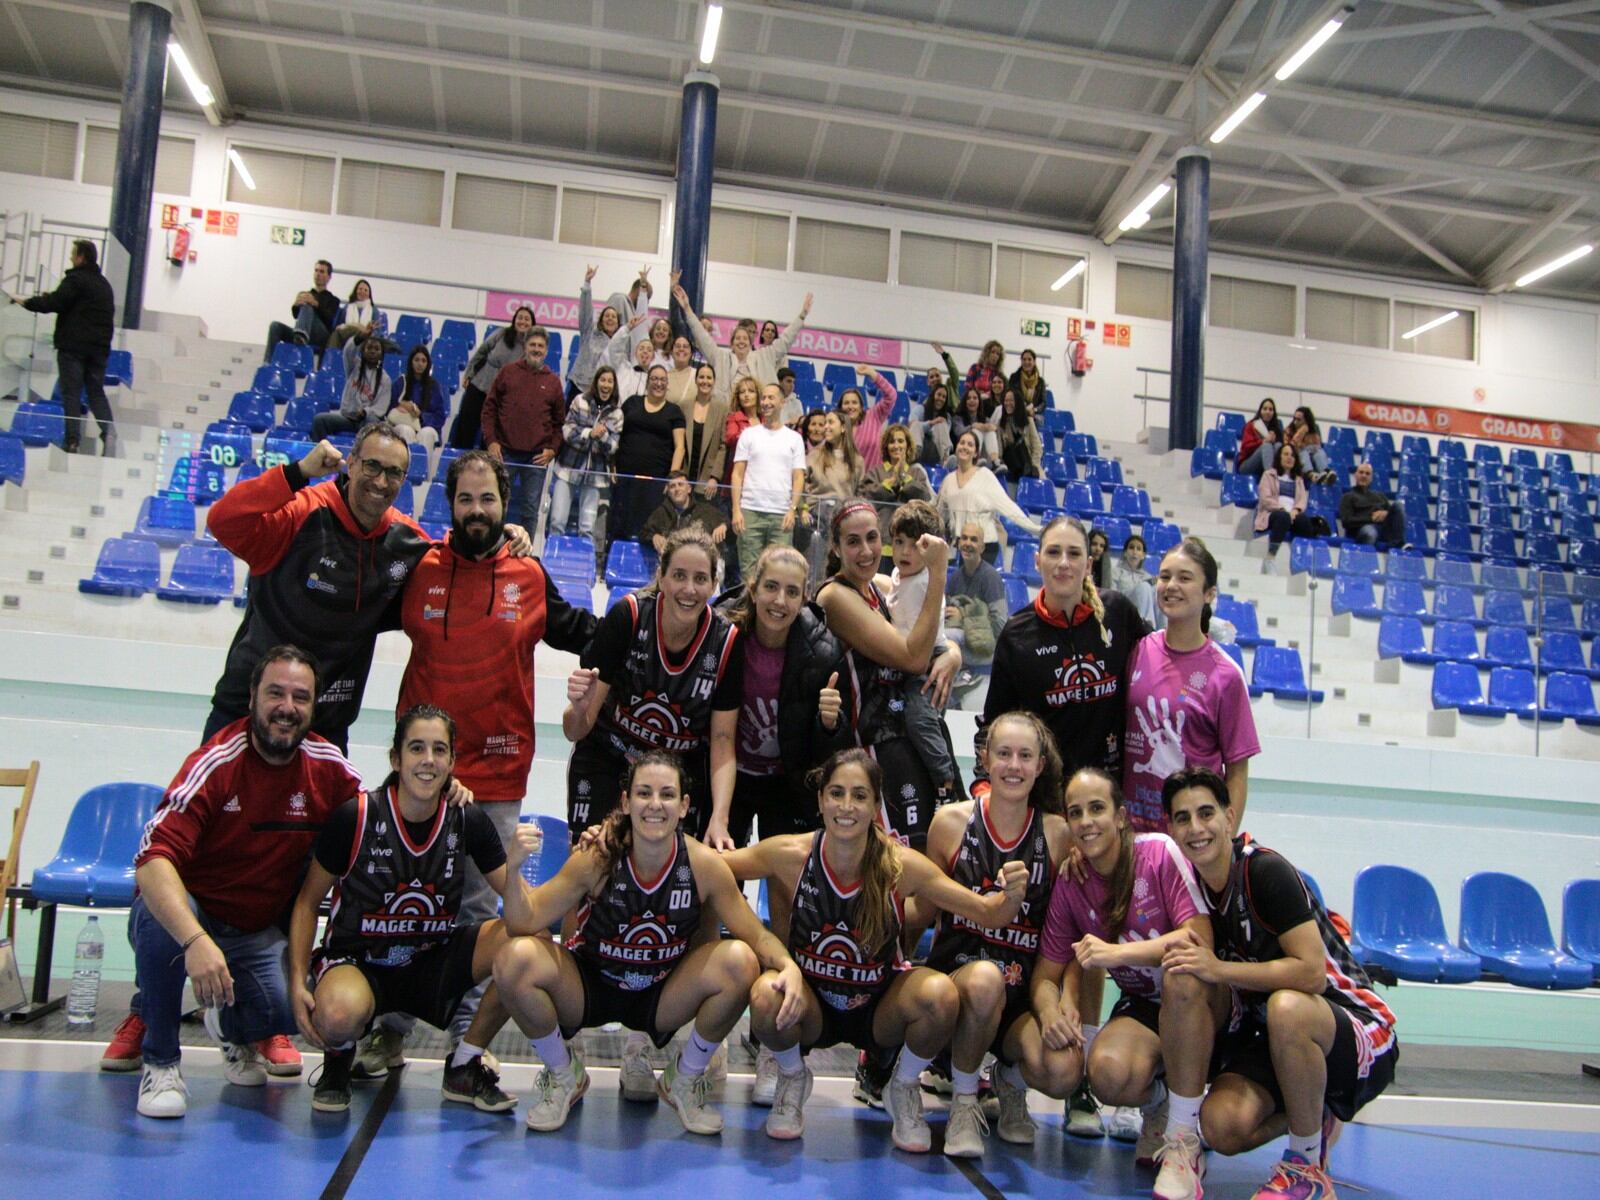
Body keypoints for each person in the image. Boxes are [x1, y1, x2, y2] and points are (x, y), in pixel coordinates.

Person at [384, 450, 597, 1064]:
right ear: (451, 504)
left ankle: (465, 1047)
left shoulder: (529, 575)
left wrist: (647, 623)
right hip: (423, 774)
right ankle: (389, 1029)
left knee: (485, 913)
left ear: (507, 505)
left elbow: (581, 630)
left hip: (499, 774)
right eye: (466, 500)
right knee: (408, 904)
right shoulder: (418, 569)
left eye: (488, 500)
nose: (477, 512)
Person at [723, 749, 1028, 1149]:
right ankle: (793, 1076)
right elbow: (715, 870)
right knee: (765, 996)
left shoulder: (901, 866)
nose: (846, 806)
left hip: (878, 1008)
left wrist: (1012, 894)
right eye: (836, 793)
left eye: (859, 796)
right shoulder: (790, 855)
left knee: (939, 996)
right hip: (810, 1004)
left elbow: (987, 913)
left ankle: (902, 1086)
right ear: (820, 800)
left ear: (874, 805)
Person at [493, 751, 805, 1135]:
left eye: (667, 794)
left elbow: (755, 935)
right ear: (626, 801)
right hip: (591, 984)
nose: (655, 805)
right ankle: (563, 1074)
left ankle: (684, 1078)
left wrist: (789, 967)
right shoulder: (598, 857)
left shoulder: (703, 865)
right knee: (513, 959)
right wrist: (513, 870)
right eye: (643, 793)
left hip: (663, 993)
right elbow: (522, 922)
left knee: (739, 960)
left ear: (684, 805)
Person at [128, 646, 363, 1119]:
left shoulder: (329, 769)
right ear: (253, 696)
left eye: (301, 697)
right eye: (275, 693)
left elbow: (382, 819)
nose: (287, 707)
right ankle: (161, 1063)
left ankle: (229, 1028)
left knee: (289, 1009)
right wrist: (195, 940)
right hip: (192, 919)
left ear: (314, 707)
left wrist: (447, 791)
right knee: (159, 922)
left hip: (255, 931)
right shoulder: (216, 761)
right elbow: (151, 861)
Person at [973, 514, 1150, 1132]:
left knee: (1095, 942)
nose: (1066, 563)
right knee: (1040, 938)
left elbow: (1157, 669)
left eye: (1076, 553)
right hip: (1046, 818)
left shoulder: (1119, 619)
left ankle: (1083, 1080)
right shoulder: (1018, 635)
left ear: (1088, 562)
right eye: (1054, 553)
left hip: (1102, 816)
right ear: (1039, 562)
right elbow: (993, 726)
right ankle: (1004, 1063)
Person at [1163, 767, 1398, 1200]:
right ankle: (1317, 1111)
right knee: (1221, 1127)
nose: (1195, 828)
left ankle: (1306, 1166)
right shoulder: (1190, 887)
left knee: (1286, 1006)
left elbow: (1310, 973)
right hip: (1278, 1035)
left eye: (1205, 813)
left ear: (1229, 818)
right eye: (1182, 818)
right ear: (1170, 830)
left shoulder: (1264, 871)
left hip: (1354, 1026)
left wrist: (1219, 969)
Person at [286, 706, 521, 1115]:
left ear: (451, 762)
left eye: (439, 750)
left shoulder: (467, 818)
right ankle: (339, 1058)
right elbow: (307, 904)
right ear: (396, 759)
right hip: (361, 961)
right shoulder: (355, 817)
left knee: (525, 941)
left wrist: (570, 871)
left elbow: (526, 909)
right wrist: (296, 981)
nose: (428, 760)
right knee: (339, 1012)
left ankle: (465, 1062)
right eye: (416, 748)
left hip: (432, 961)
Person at [1035, 768, 1220, 1199]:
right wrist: (1052, 1008)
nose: (1086, 822)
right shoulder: (1071, 880)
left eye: (1097, 808)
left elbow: (1199, 941)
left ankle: (1183, 1142)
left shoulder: (1158, 852)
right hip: (1146, 1006)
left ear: (1121, 816)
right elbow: (1047, 974)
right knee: (1108, 1075)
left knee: (1183, 975)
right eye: (1076, 812)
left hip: (1206, 1003)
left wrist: (1115, 954)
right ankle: (1165, 1104)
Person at [203, 425, 430, 752]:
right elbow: (223, 520)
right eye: (372, 466)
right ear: (350, 463)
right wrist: (296, 474)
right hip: (245, 714)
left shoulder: (406, 542)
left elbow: (456, 568)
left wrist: (504, 542)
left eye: (395, 473)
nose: (381, 482)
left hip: (326, 728)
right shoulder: (302, 512)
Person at [919, 712, 1078, 1156]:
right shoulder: (950, 824)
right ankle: (964, 1103)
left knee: (1064, 1071)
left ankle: (1010, 1081)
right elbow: (922, 913)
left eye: (1025, 756)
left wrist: (1063, 1004)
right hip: (960, 989)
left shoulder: (1059, 834)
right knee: (985, 979)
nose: (1013, 765)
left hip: (1021, 996)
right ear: (985, 758)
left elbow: (1071, 932)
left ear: (1041, 765)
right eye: (1004, 754)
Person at [564, 527, 740, 842]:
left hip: (679, 775)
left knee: (672, 878)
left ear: (715, 584)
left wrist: (720, 818)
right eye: (679, 576)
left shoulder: (726, 642)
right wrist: (578, 709)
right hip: (610, 759)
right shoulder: (628, 617)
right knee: (591, 868)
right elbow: (575, 730)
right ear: (661, 576)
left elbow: (724, 741)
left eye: (700, 579)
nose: (689, 589)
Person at [816, 501, 959, 849]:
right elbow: (913, 658)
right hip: (871, 747)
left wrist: (954, 653)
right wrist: (940, 572)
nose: (866, 551)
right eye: (853, 542)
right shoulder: (836, 596)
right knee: (896, 863)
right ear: (836, 547)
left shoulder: (881, 584)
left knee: (932, 848)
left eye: (872, 538)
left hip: (904, 737)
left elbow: (933, 625)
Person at [713, 545, 849, 849]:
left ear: (804, 598)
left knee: (788, 883)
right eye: (771, 587)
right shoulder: (722, 636)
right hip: (727, 774)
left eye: (791, 592)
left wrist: (829, 724)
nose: (779, 601)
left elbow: (830, 753)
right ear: (753, 588)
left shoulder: (823, 652)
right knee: (719, 871)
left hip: (786, 782)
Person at [1124, 538, 1260, 833]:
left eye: (1184, 578)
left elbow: (1237, 771)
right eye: (1165, 576)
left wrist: (1224, 839)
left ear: (1209, 593)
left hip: (1191, 840)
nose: (1171, 585)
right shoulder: (1138, 651)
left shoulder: (1226, 675)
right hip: (1132, 837)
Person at [885, 501, 961, 806]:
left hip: (928, 659)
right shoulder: (898, 574)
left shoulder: (925, 583)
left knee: (919, 718)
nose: (905, 552)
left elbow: (918, 645)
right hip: (911, 657)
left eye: (915, 546)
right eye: (899, 542)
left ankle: (945, 781)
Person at [10, 237, 115, 455]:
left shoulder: (75, 279)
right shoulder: (104, 285)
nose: (70, 258)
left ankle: (72, 441)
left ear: (81, 257)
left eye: (73, 254)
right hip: (99, 350)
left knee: (71, 393)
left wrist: (26, 302)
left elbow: (55, 304)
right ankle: (109, 433)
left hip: (73, 348)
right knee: (96, 393)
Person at [674, 278, 812, 404]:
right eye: (738, 338)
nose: (741, 341)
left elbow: (785, 340)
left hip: (759, 416)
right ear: (732, 343)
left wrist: (802, 316)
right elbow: (702, 337)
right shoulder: (721, 358)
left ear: (751, 342)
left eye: (745, 338)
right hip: (728, 415)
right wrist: (687, 309)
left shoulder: (764, 355)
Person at [483, 324, 565, 531]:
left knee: (530, 510)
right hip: (505, 453)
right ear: (525, 347)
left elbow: (559, 423)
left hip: (536, 458)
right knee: (497, 504)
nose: (536, 349)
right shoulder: (507, 373)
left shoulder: (554, 382)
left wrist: (552, 449)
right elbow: (489, 409)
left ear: (546, 351)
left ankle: (525, 557)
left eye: (540, 346)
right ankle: (494, 549)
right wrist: (492, 442)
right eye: (532, 344)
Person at [731, 382, 807, 582]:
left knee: (779, 572)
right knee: (749, 574)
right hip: (749, 513)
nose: (765, 402)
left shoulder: (794, 438)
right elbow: (737, 474)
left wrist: (792, 509)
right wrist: (736, 510)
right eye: (763, 398)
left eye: (771, 397)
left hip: (781, 516)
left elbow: (798, 477)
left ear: (782, 402)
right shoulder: (748, 434)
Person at [937, 430, 1040, 564]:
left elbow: (1009, 507)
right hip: (960, 545)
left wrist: (1036, 529)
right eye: (962, 443)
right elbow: (939, 514)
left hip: (984, 546)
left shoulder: (985, 475)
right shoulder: (948, 480)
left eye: (970, 444)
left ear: (975, 453)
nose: (964, 447)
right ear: (956, 447)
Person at [611, 363, 687, 539]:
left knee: (649, 529)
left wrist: (671, 479)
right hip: (626, 478)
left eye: (662, 379)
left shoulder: (674, 412)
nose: (658, 383)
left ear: (667, 384)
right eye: (654, 378)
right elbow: (616, 435)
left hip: (656, 483)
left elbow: (680, 448)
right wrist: (612, 463)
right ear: (647, 382)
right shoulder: (632, 403)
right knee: (619, 525)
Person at [548, 364, 622, 539]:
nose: (606, 385)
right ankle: (551, 564)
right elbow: (566, 431)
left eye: (610, 381)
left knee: (587, 529)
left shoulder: (617, 414)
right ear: (596, 382)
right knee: (557, 522)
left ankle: (583, 565)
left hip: (595, 475)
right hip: (568, 468)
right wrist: (589, 433)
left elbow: (613, 447)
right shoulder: (579, 401)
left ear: (614, 386)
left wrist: (602, 437)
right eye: (603, 380)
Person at [453, 306, 532, 449]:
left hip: (500, 398)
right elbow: (481, 352)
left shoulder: (529, 348)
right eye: (520, 317)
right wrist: (469, 373)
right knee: (465, 429)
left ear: (532, 324)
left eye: (527, 319)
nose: (523, 321)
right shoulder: (501, 334)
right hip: (478, 386)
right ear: (514, 320)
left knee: (489, 437)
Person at [858, 423, 932, 563]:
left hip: (910, 545)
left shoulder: (916, 472)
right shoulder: (875, 472)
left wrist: (903, 476)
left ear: (908, 446)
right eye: (892, 441)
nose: (896, 445)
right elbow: (867, 498)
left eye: (900, 441)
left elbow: (924, 496)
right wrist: (891, 481)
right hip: (882, 542)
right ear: (886, 446)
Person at [567, 265, 638, 401]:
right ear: (600, 319)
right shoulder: (590, 333)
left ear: (619, 323)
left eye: (613, 316)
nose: (610, 318)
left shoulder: (621, 344)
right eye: (607, 315)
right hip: (580, 386)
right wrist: (587, 284)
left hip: (604, 392)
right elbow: (585, 311)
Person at [944, 522, 1008, 668]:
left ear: (982, 547)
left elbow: (1000, 625)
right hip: (963, 640)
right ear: (958, 543)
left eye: (974, 539)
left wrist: (963, 616)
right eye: (964, 538)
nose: (967, 543)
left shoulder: (990, 577)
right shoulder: (956, 577)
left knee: (945, 638)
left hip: (986, 647)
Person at [311, 333, 392, 440]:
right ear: (363, 351)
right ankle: (320, 453)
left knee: (372, 422)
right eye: (369, 348)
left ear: (381, 354)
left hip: (366, 421)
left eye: (377, 349)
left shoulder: (385, 379)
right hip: (347, 418)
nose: (372, 351)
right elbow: (348, 351)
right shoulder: (354, 366)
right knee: (319, 420)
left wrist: (365, 412)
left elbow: (381, 407)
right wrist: (360, 337)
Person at [263, 258, 338, 362]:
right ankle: (268, 362)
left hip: (321, 337)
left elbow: (330, 319)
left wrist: (315, 304)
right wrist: (296, 305)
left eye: (321, 271)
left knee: (308, 306)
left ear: (329, 277)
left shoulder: (333, 300)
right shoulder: (305, 294)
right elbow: (296, 315)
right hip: (300, 331)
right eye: (316, 271)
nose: (318, 274)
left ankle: (301, 335)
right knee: (275, 326)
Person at [677, 362, 730, 502]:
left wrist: (715, 477)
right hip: (684, 474)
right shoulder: (684, 406)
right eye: (701, 377)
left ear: (714, 381)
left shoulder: (722, 409)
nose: (705, 381)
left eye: (709, 378)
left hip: (707, 479)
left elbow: (723, 446)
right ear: (695, 380)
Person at [386, 344, 447, 465]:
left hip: (427, 426)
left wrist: (420, 415)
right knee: (406, 430)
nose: (420, 364)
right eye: (417, 360)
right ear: (411, 362)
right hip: (403, 423)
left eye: (424, 361)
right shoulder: (401, 382)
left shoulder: (434, 386)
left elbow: (440, 416)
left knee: (427, 433)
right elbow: (388, 409)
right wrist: (401, 407)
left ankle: (422, 471)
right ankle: (406, 469)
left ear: (428, 364)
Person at [1257, 444, 1319, 562]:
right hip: (1273, 513)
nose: (1289, 457)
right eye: (1286, 454)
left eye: (1292, 455)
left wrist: (1296, 510)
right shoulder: (1268, 475)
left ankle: (1303, 559)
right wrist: (1283, 509)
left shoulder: (1298, 479)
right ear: (1279, 457)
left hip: (1292, 514)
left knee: (1303, 520)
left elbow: (1302, 500)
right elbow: (1265, 499)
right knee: (1283, 517)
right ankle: (1271, 555)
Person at [641, 470, 728, 554]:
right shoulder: (661, 512)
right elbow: (643, 533)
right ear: (668, 492)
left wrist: (723, 526)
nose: (677, 489)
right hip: (672, 561)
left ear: (689, 489)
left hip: (701, 560)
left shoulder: (705, 510)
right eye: (672, 486)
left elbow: (727, 522)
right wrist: (654, 537)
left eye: (680, 484)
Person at [836, 367, 898, 471]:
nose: (850, 406)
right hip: (846, 483)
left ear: (861, 407)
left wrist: (873, 375)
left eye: (854, 403)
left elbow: (891, 396)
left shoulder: (873, 416)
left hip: (874, 481)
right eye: (846, 403)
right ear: (840, 408)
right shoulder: (836, 427)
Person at [1339, 460, 1408, 547]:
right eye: (1361, 472)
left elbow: (1392, 516)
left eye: (1367, 474)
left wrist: (1386, 514)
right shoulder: (1348, 497)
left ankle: (1398, 544)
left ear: (1371, 478)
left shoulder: (1380, 496)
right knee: (1370, 532)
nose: (1364, 475)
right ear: (1355, 475)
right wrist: (1371, 518)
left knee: (1398, 505)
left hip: (1383, 530)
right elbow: (1346, 521)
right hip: (1363, 529)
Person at [1107, 532, 1159, 627]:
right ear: (1125, 553)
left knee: (1158, 589)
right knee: (1144, 587)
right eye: (1131, 548)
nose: (1134, 551)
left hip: (1145, 611)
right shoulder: (1115, 572)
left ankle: (1164, 631)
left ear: (1143, 555)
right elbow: (1112, 596)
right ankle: (1144, 629)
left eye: (1138, 549)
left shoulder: (1147, 576)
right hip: (1124, 609)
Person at [326, 278, 386, 351]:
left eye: (365, 290)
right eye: (360, 289)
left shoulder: (374, 311)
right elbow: (340, 326)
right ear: (356, 291)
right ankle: (331, 356)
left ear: (369, 294)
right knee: (336, 334)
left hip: (365, 338)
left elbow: (377, 332)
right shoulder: (347, 307)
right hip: (347, 336)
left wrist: (362, 329)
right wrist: (359, 326)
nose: (362, 292)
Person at [951, 385, 1001, 465]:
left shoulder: (984, 418)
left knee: (990, 432)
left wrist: (992, 427)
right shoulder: (958, 417)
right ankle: (975, 459)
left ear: (979, 401)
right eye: (969, 398)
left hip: (984, 456)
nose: (972, 400)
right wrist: (973, 426)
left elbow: (994, 428)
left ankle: (995, 461)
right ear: (965, 401)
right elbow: (958, 432)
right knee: (976, 431)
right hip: (964, 453)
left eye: (975, 398)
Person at [1236, 398, 1284, 478]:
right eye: (1265, 409)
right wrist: (1262, 441)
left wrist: (1275, 440)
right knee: (1266, 445)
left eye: (1270, 409)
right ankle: (1270, 477)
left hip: (1264, 466)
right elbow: (1246, 447)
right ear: (1260, 411)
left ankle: (1276, 475)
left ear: (1273, 412)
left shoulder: (1277, 428)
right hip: (1247, 465)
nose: (1267, 412)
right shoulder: (1251, 426)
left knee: (1278, 445)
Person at [1287, 405, 1335, 484]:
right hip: (1297, 459)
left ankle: (1326, 472)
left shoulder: (1313, 431)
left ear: (1306, 421)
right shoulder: (1289, 430)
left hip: (1312, 458)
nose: (1295, 422)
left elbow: (1317, 445)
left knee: (1319, 451)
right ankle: (1311, 474)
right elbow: (1289, 446)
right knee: (1303, 451)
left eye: (1299, 420)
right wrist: (1302, 431)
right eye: (1294, 419)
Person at [913, 382, 953, 467]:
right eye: (939, 395)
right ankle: (914, 456)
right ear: (933, 395)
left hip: (936, 450)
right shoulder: (920, 409)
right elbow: (911, 425)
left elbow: (943, 435)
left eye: (944, 397)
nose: (941, 399)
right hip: (919, 447)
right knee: (916, 424)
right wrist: (931, 423)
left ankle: (945, 460)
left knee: (941, 424)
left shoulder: (947, 417)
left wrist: (935, 425)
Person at [1008, 347, 1047, 418]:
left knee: (1036, 419)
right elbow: (1012, 396)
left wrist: (1034, 409)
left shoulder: (1041, 382)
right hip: (1017, 410)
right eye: (1024, 359)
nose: (1026, 362)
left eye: (1029, 359)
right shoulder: (1014, 378)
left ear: (1034, 362)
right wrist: (1026, 407)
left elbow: (1043, 403)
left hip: (1034, 412)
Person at [664, 333, 700, 405]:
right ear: (671, 352)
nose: (681, 349)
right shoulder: (664, 377)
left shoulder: (698, 375)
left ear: (691, 353)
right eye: (677, 346)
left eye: (685, 346)